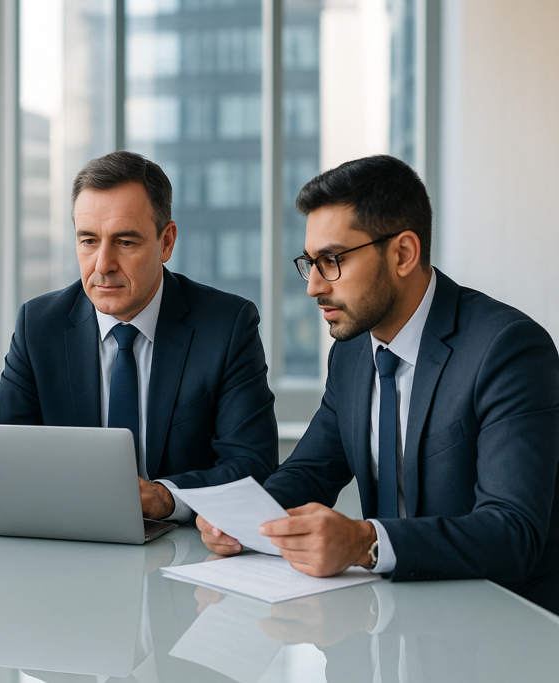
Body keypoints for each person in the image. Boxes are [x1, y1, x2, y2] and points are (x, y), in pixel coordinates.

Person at [198, 154, 559, 613]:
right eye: (310, 263)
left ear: (403, 254)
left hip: (500, 623)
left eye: (332, 260)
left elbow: (513, 533)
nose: (313, 287)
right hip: (390, 617)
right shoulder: (350, 353)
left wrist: (364, 542)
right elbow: (312, 470)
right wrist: (245, 517)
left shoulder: (506, 348)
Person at [0, 150, 278, 521]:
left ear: (166, 242)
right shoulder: (40, 325)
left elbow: (254, 466)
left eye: (125, 242)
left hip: (186, 554)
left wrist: (166, 498)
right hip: (72, 548)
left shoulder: (226, 325)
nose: (103, 265)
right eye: (89, 241)